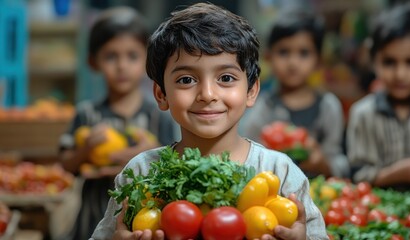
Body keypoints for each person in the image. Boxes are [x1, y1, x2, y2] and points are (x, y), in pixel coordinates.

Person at [91, 3, 328, 240]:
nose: (207, 94)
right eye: (186, 80)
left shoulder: (282, 173)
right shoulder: (140, 172)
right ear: (161, 94)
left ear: (251, 91)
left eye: (225, 78)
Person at [58, 6, 180, 240]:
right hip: (90, 219)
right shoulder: (86, 114)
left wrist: (148, 155)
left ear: (148, 60)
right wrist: (86, 150)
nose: (122, 65)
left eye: (132, 56)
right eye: (111, 56)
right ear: (93, 62)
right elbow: (65, 164)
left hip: (142, 224)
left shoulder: (160, 116)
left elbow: (173, 170)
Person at [240, 8, 349, 179]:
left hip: (320, 194)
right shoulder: (261, 108)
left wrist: (322, 162)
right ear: (268, 57)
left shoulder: (329, 106)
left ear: (319, 60)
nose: (293, 62)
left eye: (304, 53)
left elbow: (340, 162)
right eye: (284, 52)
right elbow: (247, 158)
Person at [347, 3, 410, 192]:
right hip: (376, 212)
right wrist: (393, 174)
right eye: (389, 62)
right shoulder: (363, 114)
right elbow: (356, 175)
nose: (400, 74)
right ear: (374, 60)